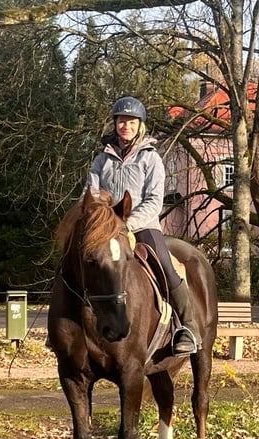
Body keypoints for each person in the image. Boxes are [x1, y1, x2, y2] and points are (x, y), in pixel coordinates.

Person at [85, 96, 199, 356]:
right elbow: (89, 195)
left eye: (131, 122)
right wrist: (94, 222)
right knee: (78, 259)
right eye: (121, 121)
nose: (126, 126)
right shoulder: (102, 160)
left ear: (140, 126)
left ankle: (188, 328)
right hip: (106, 229)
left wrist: (127, 224)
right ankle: (65, 325)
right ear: (115, 124)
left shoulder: (151, 158)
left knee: (165, 266)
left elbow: (154, 201)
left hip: (142, 226)